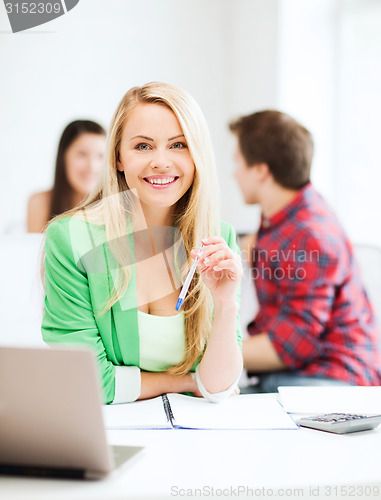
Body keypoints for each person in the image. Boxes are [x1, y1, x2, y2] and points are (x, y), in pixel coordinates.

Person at [41, 82, 243, 405]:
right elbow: (89, 381)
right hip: (108, 434)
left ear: (197, 156)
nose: (161, 162)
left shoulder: (217, 239)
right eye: (143, 147)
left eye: (178, 145)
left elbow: (218, 388)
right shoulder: (70, 239)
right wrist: (185, 381)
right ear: (118, 157)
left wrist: (226, 304)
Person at [229, 110, 381, 392]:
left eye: (238, 161)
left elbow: (293, 346)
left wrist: (201, 356)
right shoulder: (289, 210)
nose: (233, 173)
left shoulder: (311, 235)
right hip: (305, 372)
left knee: (215, 401)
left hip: (334, 378)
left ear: (261, 170)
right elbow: (269, 247)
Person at [27, 120, 106, 233]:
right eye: (82, 154)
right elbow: (35, 249)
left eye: (101, 156)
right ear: (63, 157)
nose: (92, 166)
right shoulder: (40, 203)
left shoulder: (115, 207)